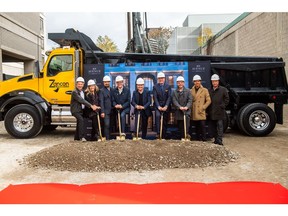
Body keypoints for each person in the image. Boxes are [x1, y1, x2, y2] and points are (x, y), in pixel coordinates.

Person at [70, 77, 97, 142]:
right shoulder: (74, 92)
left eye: (81, 84)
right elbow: (81, 100)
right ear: (76, 84)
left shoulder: (82, 92)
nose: (80, 85)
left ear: (83, 84)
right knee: (81, 120)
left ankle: (76, 138)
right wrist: (91, 106)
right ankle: (82, 137)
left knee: (79, 122)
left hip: (81, 111)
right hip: (75, 111)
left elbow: (87, 98)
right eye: (79, 84)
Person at [208, 74, 229, 145]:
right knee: (213, 127)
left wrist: (222, 106)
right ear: (211, 82)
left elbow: (227, 99)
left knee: (220, 126)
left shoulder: (223, 90)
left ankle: (219, 140)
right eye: (213, 81)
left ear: (218, 81)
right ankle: (216, 139)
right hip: (212, 111)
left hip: (220, 112)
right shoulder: (209, 90)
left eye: (216, 81)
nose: (215, 83)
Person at [190, 75, 211, 142]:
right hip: (194, 111)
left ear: (200, 82)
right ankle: (198, 140)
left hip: (201, 111)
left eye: (198, 81)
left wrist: (203, 107)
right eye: (195, 81)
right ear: (194, 82)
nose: (197, 82)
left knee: (202, 127)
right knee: (196, 127)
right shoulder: (191, 90)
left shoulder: (205, 90)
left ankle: (204, 140)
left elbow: (209, 100)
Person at [172, 76, 192, 140]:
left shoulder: (188, 91)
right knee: (180, 125)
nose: (180, 83)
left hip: (186, 111)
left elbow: (190, 100)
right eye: (178, 82)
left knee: (187, 124)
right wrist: (179, 107)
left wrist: (187, 107)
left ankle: (186, 136)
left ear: (184, 83)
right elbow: (174, 100)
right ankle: (182, 137)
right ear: (177, 83)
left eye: (181, 82)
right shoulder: (174, 92)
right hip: (179, 111)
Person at [153, 72, 172, 139]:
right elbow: (155, 98)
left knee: (165, 120)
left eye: (162, 78)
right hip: (158, 106)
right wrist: (158, 106)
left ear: (164, 79)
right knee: (158, 116)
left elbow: (169, 97)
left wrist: (166, 106)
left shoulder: (168, 86)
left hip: (166, 106)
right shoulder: (155, 87)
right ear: (158, 79)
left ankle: (163, 135)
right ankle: (158, 133)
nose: (161, 79)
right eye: (159, 78)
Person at [99, 75, 112, 140]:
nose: (106, 83)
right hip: (105, 111)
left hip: (112, 111)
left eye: (108, 82)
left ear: (110, 82)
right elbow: (101, 101)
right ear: (103, 83)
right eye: (105, 82)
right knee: (106, 125)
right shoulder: (101, 91)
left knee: (111, 125)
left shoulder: (112, 89)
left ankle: (110, 138)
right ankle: (107, 139)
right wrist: (102, 112)